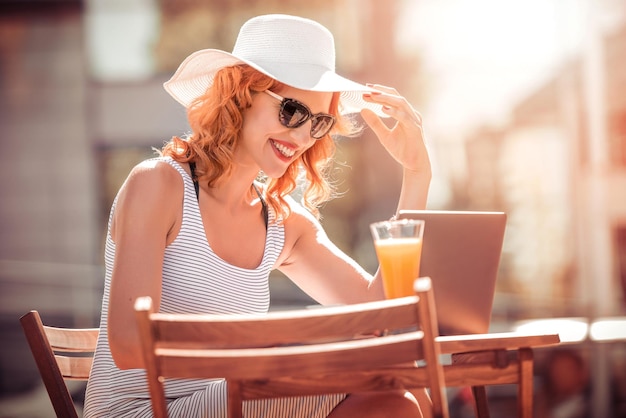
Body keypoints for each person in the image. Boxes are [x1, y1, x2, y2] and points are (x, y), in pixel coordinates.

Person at [83, 13, 432, 418]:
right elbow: (128, 346)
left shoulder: (285, 223)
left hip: (232, 400)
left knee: (396, 396)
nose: (303, 137)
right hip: (140, 410)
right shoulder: (158, 185)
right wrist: (269, 349)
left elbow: (379, 317)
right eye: (292, 111)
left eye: (318, 122)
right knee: (390, 382)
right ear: (241, 95)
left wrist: (416, 175)